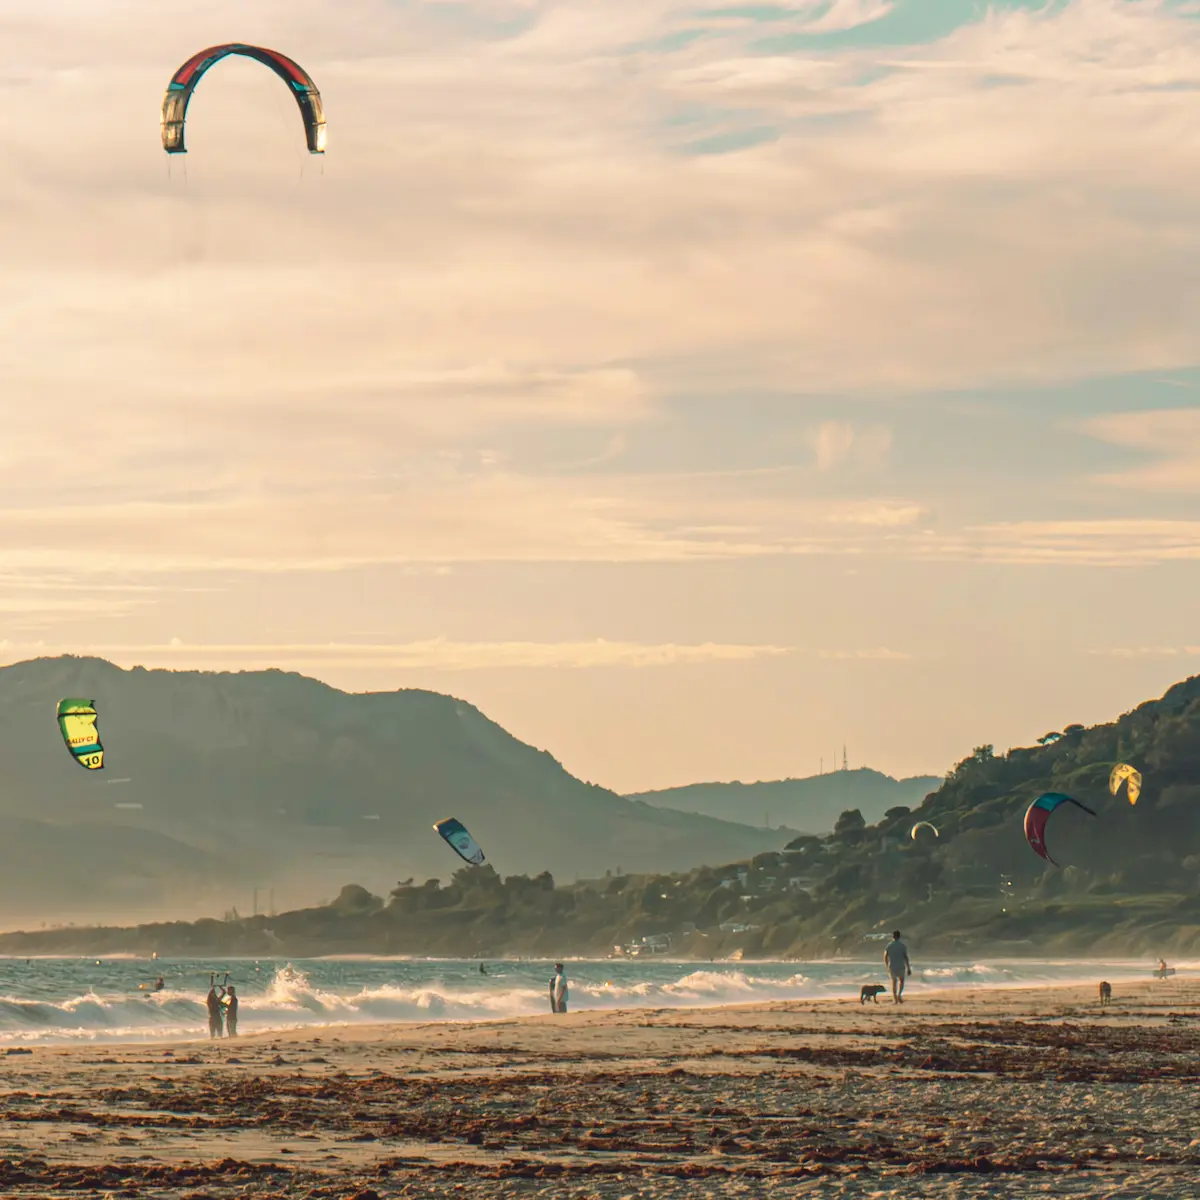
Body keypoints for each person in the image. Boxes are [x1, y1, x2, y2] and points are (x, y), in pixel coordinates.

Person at [884, 931, 911, 1004]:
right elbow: (905, 957)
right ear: (899, 936)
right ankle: (899, 995)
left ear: (893, 936)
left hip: (892, 966)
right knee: (901, 981)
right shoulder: (902, 946)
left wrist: (887, 965)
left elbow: (885, 956)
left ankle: (895, 998)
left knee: (894, 982)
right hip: (901, 966)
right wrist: (908, 967)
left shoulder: (889, 945)